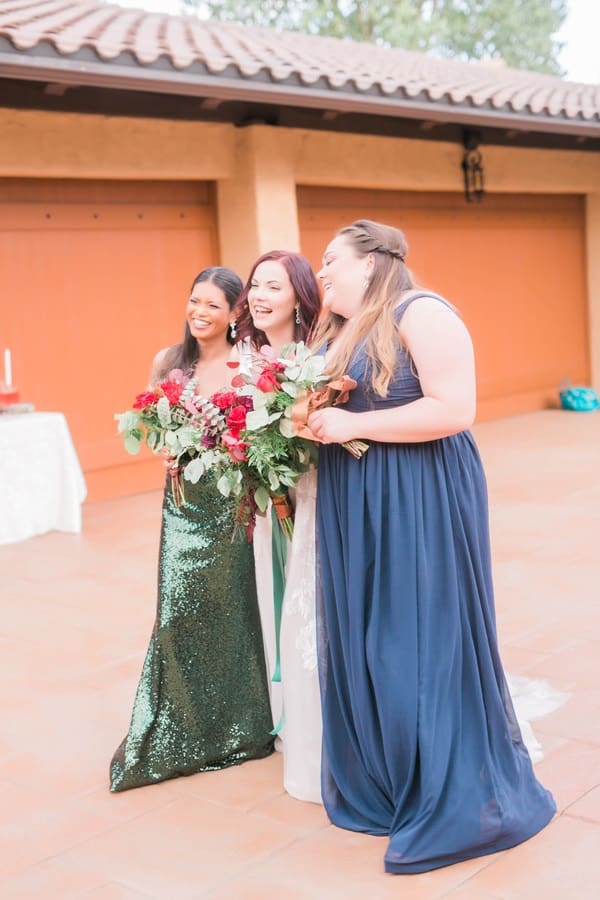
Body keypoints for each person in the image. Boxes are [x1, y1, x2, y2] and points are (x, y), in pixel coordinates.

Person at [307, 220, 556, 871]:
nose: (322, 271)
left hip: (418, 495)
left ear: (373, 261)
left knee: (415, 634)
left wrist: (353, 423)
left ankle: (454, 784)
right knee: (367, 636)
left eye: (332, 260)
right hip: (356, 499)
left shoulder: (422, 310)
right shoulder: (345, 330)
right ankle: (391, 778)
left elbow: (456, 407)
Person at [110, 267, 274, 792]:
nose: (199, 312)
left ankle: (240, 727)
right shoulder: (168, 361)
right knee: (177, 614)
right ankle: (178, 725)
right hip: (182, 504)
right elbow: (151, 423)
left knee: (231, 611)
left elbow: (257, 431)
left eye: (212, 305)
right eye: (194, 300)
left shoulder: (246, 363)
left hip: (230, 505)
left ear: (233, 315)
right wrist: (161, 441)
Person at [233, 251, 323, 802]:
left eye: (274, 286)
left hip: (310, 498)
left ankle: (320, 715)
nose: (260, 296)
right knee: (274, 599)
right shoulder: (245, 357)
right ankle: (286, 717)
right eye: (255, 285)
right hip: (268, 505)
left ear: (300, 296)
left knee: (307, 604)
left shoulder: (315, 357)